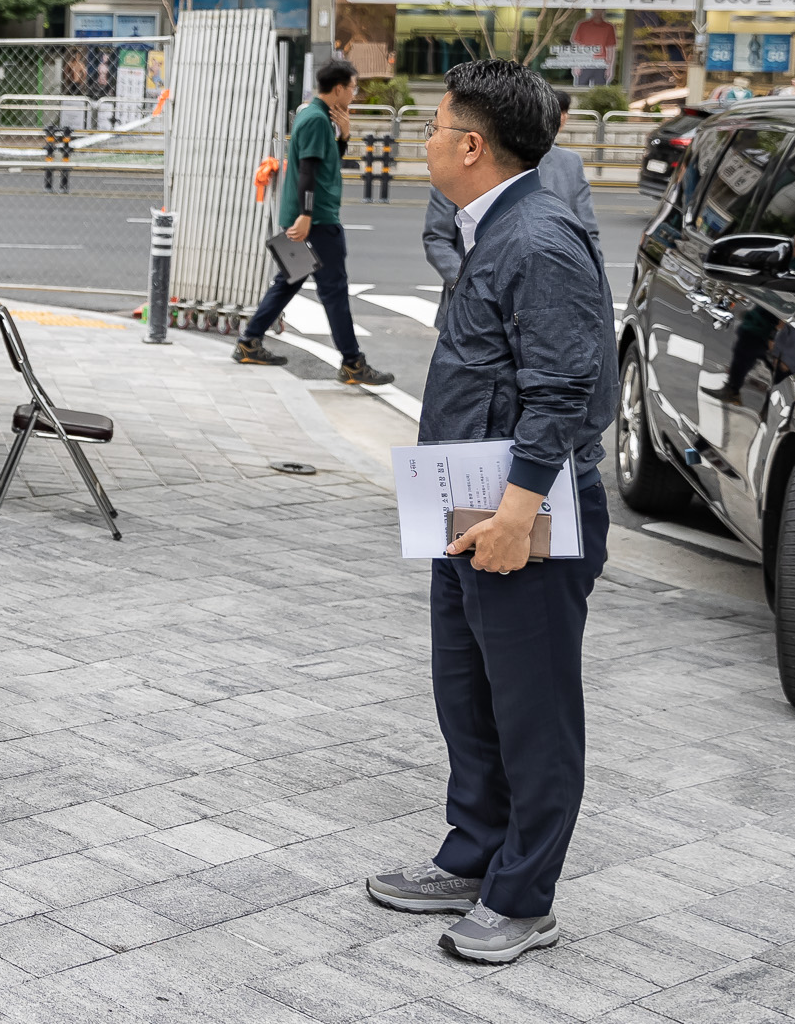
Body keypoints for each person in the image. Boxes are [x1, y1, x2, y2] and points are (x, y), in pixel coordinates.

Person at [364, 59, 614, 966]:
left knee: (533, 707)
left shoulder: (538, 238)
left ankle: (523, 896)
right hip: (465, 490)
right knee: (466, 692)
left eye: (435, 125)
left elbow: (560, 388)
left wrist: (516, 510)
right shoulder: (491, 227)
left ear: (472, 146)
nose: (425, 138)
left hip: (521, 502)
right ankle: (474, 851)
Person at [232, 59, 392, 385]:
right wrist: (306, 216)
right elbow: (308, 172)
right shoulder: (318, 120)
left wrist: (344, 135)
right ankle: (352, 363)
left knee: (289, 281)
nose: (354, 92)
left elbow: (325, 161)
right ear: (338, 89)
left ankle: (249, 341)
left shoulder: (310, 113)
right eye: (353, 87)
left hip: (305, 218)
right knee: (334, 291)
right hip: (317, 221)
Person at [423, 85, 598, 289]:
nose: (428, 142)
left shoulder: (569, 164)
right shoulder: (455, 170)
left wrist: (589, 282)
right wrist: (470, 286)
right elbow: (437, 237)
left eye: (436, 129)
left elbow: (587, 236)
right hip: (463, 299)